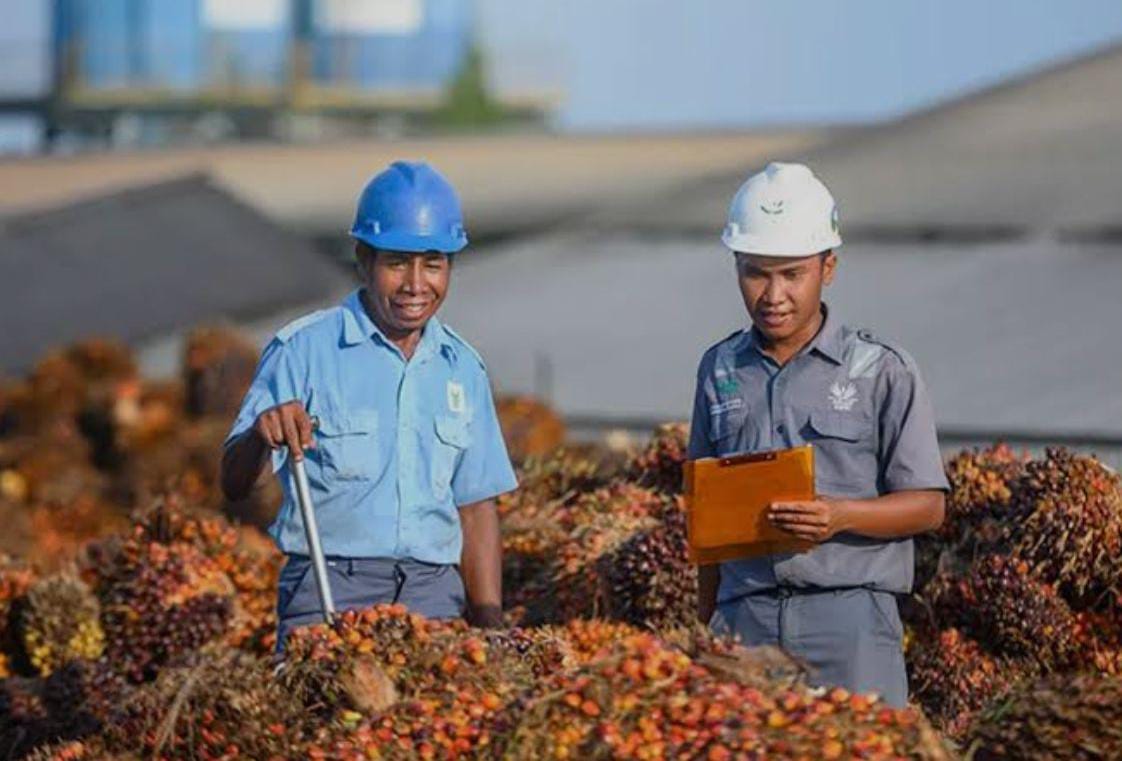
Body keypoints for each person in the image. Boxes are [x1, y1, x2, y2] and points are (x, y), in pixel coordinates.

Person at [221, 161, 517, 648]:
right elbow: (234, 484)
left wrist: (489, 624)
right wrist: (260, 434)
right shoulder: (303, 351)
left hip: (434, 598)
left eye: (433, 264)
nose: (416, 284)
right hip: (328, 589)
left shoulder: (462, 367)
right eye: (397, 263)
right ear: (363, 259)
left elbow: (476, 506)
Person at [689, 162, 948, 707]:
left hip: (851, 623)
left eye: (792, 274)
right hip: (744, 624)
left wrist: (841, 515)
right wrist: (704, 627)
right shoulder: (719, 369)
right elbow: (706, 520)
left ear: (828, 267)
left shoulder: (881, 370)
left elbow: (928, 505)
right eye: (756, 273)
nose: (773, 294)